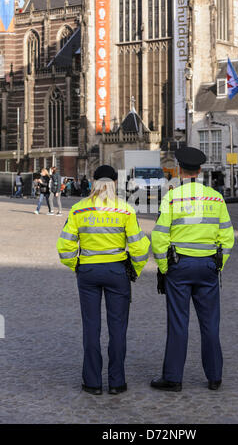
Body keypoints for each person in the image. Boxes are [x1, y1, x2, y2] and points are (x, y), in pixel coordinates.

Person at [57, 165, 150, 396]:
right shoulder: (126, 210)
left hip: (88, 272)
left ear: (93, 181)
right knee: (118, 329)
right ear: (115, 183)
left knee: (91, 327)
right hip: (117, 271)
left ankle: (92, 382)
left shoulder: (78, 210)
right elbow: (139, 247)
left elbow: (65, 245)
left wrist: (75, 265)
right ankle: (117, 382)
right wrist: (134, 270)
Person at [151, 147, 235, 392]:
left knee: (178, 322)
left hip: (180, 266)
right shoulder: (215, 198)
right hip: (208, 266)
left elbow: (159, 237)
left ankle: (173, 378)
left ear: (179, 169)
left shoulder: (172, 198)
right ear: (200, 170)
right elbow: (227, 236)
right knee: (210, 323)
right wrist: (218, 264)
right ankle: (214, 377)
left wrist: (165, 268)